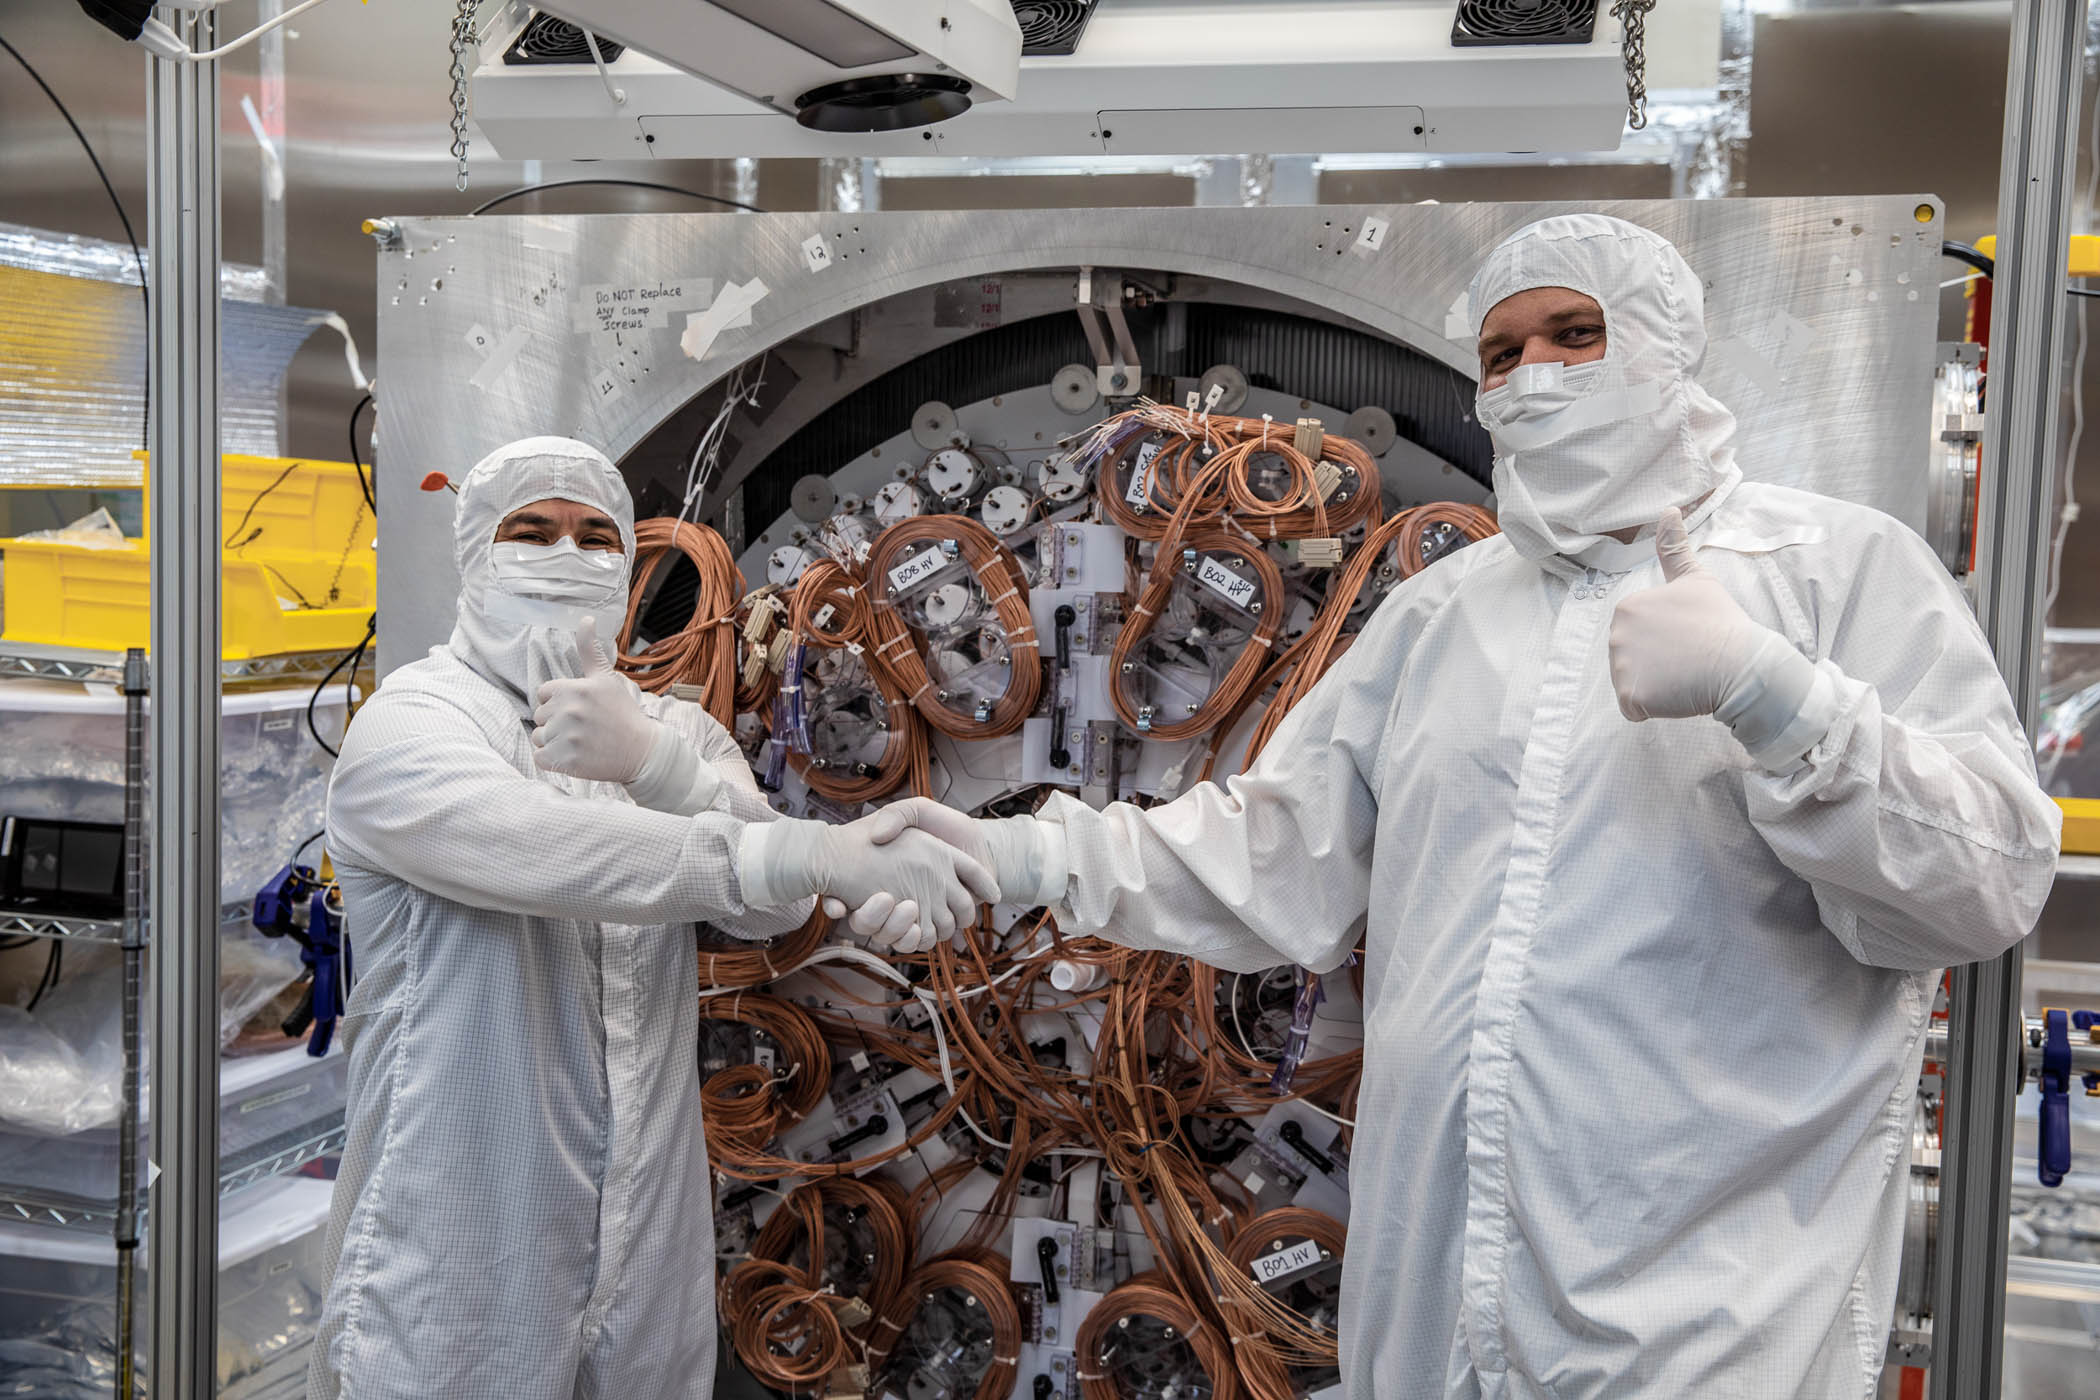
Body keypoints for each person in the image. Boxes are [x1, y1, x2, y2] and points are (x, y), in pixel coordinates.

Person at [863, 215, 2063, 1397]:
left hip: (1706, 1316)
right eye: (1503, 353)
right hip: (1436, 1313)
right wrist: (1017, 853)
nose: (1534, 376)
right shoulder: (1446, 615)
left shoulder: (1835, 570)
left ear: (1659, 343)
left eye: (1574, 335)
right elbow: (1274, 849)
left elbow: (1988, 879)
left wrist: (1775, 694)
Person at [308, 437, 992, 1400]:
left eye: (595, 537)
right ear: (474, 550)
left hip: (650, 1239)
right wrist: (814, 848)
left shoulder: (672, 732)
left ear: (628, 567)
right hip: (463, 1240)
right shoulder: (413, 725)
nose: (566, 553)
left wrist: (655, 764)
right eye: (531, 530)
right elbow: (546, 850)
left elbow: (777, 909)